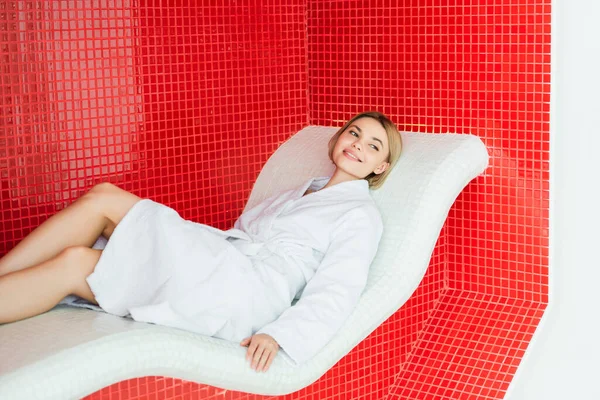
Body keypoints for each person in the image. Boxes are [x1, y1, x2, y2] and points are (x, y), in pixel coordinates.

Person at [0, 111, 402, 372]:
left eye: (372, 146)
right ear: (336, 140)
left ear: (379, 167)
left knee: (105, 199)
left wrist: (282, 334)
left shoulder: (360, 215)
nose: (357, 145)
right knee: (77, 262)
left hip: (246, 293)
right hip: (225, 266)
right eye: (354, 133)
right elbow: (242, 232)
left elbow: (339, 289)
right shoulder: (302, 191)